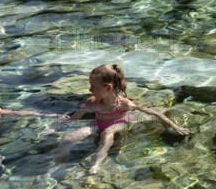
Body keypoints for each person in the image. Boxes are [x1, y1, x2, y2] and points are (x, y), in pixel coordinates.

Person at [52, 64, 189, 174]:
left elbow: (153, 112)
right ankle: (58, 164)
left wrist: (175, 126)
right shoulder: (92, 102)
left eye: (93, 86)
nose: (89, 89)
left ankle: (97, 163)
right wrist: (55, 127)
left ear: (108, 87)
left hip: (120, 123)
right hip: (99, 123)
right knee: (68, 138)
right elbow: (75, 117)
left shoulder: (125, 104)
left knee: (108, 132)